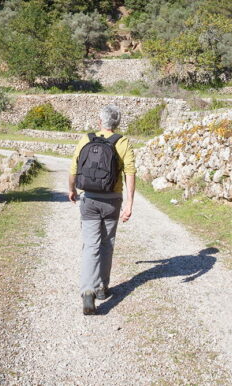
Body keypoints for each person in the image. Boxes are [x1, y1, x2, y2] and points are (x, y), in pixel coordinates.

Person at [68, 104, 135, 315]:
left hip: (89, 199)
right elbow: (130, 174)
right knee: (107, 244)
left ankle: (88, 291)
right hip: (112, 201)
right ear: (118, 123)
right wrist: (130, 203)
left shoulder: (86, 139)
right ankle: (102, 288)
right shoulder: (123, 142)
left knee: (91, 245)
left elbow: (73, 168)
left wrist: (71, 190)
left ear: (100, 122)